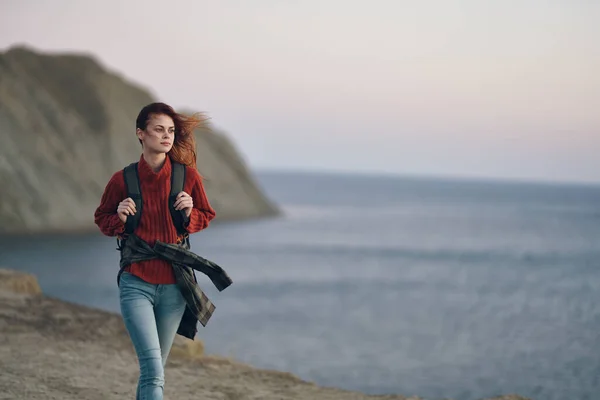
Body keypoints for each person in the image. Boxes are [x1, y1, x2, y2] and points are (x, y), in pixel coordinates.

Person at [94, 102, 230, 399]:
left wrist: (191, 211)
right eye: (159, 129)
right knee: (154, 371)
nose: (166, 136)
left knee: (153, 372)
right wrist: (118, 217)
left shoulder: (187, 177)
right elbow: (101, 219)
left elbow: (206, 215)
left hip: (175, 288)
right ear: (141, 134)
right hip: (136, 283)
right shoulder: (123, 179)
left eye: (170, 130)